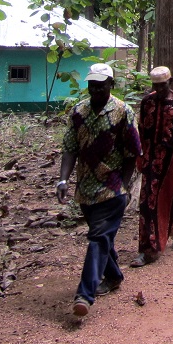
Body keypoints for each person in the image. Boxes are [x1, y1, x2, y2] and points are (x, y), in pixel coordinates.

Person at [57, 62, 141, 317]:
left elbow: (132, 152)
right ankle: (113, 275)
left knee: (97, 239)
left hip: (112, 188)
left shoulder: (122, 112)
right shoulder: (78, 112)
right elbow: (70, 148)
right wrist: (63, 180)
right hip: (86, 188)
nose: (95, 90)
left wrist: (124, 185)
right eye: (92, 85)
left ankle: (85, 294)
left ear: (110, 85)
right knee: (101, 236)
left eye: (101, 86)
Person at [132, 66, 173, 267]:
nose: (159, 89)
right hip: (153, 160)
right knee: (147, 203)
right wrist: (141, 159)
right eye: (156, 86)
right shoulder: (147, 102)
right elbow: (142, 131)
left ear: (169, 83)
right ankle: (148, 248)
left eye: (163, 85)